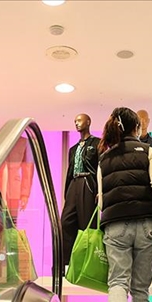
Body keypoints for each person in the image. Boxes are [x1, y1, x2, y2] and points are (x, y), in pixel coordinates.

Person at [97, 107, 152, 302]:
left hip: (115, 225)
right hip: (146, 223)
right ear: (136, 128)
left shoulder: (104, 158)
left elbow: (101, 200)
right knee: (140, 288)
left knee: (118, 280)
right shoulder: (149, 151)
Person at [62, 113, 101, 266]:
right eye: (75, 121)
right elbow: (70, 170)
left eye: (79, 120)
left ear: (88, 122)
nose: (76, 123)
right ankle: (67, 263)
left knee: (87, 224)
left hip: (88, 183)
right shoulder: (73, 149)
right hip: (74, 183)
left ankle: (88, 263)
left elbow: (100, 168)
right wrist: (67, 191)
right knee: (66, 221)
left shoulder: (97, 143)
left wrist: (100, 190)